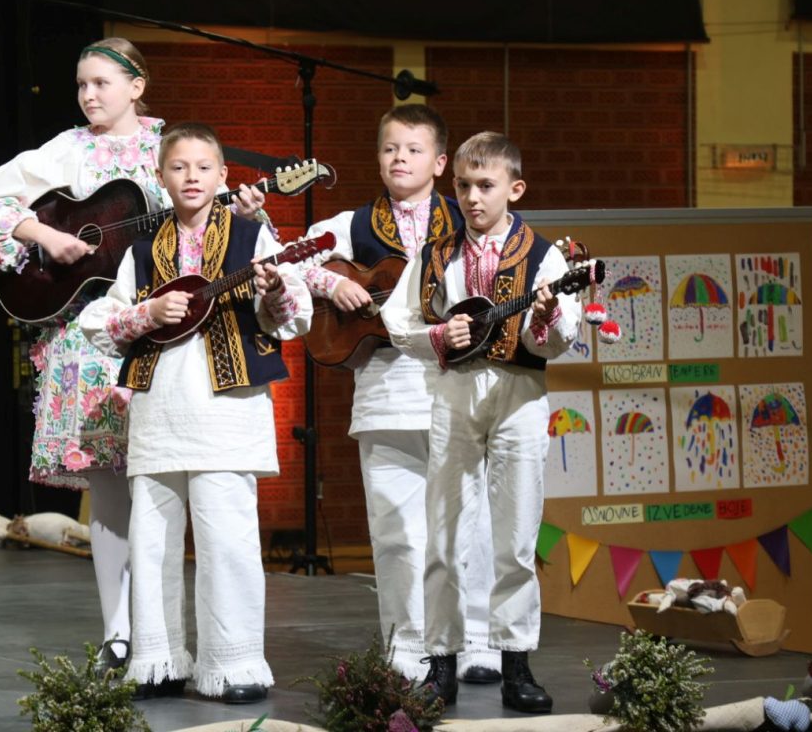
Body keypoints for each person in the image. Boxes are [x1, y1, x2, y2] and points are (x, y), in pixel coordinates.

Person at [0, 39, 266, 672]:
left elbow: (211, 216)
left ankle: (163, 635)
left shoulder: (173, 148)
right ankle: (117, 633)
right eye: (81, 85)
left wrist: (244, 212)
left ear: (138, 85)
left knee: (162, 488)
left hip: (167, 340)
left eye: (101, 82)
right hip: (86, 336)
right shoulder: (67, 150)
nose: (88, 95)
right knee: (107, 493)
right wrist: (48, 235)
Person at [79, 122, 311, 704]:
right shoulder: (141, 250)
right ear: (161, 178)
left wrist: (275, 288)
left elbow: (290, 314)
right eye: (179, 168)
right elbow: (102, 324)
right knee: (153, 536)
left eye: (203, 167)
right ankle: (157, 660)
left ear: (223, 176)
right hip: (160, 410)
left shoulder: (254, 237)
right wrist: (148, 312)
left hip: (226, 409)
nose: (191, 177)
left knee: (226, 537)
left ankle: (233, 664)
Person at [301, 104, 502, 684]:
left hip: (457, 384)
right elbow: (293, 260)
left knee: (471, 522)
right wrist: (335, 280)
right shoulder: (352, 221)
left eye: (413, 150)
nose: (400, 159)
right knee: (396, 529)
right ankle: (408, 646)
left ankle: (478, 641)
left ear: (440, 162)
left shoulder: (469, 218)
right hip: (385, 390)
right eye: (390, 148)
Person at [381, 131, 580, 713]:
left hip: (520, 393)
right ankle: (440, 664)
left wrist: (545, 319)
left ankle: (515, 662)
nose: (471, 197)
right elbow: (397, 320)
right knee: (444, 532)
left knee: (515, 536)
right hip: (455, 393)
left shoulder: (545, 255)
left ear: (515, 188)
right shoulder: (436, 253)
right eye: (463, 185)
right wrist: (437, 335)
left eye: (485, 186)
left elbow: (564, 337)